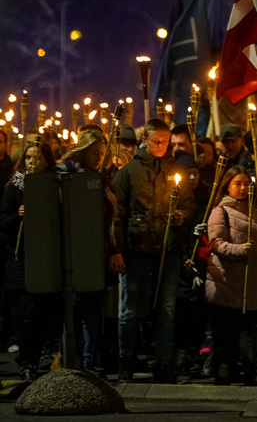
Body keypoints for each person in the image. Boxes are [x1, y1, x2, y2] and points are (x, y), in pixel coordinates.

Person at [112, 119, 195, 383]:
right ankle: (125, 360)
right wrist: (117, 249)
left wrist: (183, 215)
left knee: (167, 309)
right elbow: (117, 214)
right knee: (129, 310)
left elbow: (190, 203)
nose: (161, 146)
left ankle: (162, 363)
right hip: (136, 251)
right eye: (156, 141)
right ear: (145, 141)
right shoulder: (129, 172)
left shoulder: (174, 170)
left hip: (167, 250)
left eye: (165, 141)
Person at [54, 129, 121, 373]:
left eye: (103, 154)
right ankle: (71, 359)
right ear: (83, 152)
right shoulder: (66, 175)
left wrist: (113, 249)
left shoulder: (105, 178)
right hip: (73, 252)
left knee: (93, 309)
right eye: (94, 153)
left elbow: (110, 221)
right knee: (74, 309)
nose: (99, 158)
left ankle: (87, 359)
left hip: (97, 253)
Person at [205, 166, 257, 385]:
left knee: (248, 330)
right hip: (226, 280)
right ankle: (224, 372)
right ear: (228, 185)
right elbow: (216, 243)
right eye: (238, 183)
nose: (243, 188)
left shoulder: (256, 213)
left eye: (246, 184)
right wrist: (240, 250)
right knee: (225, 333)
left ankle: (250, 371)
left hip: (250, 282)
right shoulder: (220, 211)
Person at [0, 141, 57, 382]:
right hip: (21, 257)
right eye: (29, 158)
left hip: (46, 256)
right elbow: (3, 222)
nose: (33, 163)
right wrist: (18, 215)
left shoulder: (53, 184)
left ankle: (43, 356)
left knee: (45, 312)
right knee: (26, 313)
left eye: (38, 158)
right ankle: (27, 362)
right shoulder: (15, 186)